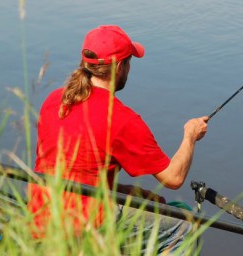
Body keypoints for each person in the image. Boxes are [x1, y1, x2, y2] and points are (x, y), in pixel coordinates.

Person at [27, 25, 208, 251]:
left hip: (41, 213)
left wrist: (123, 191)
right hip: (86, 225)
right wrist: (190, 135)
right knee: (185, 228)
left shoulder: (55, 100)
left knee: (155, 207)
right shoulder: (120, 118)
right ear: (120, 67)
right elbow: (173, 178)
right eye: (130, 61)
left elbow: (76, 172)